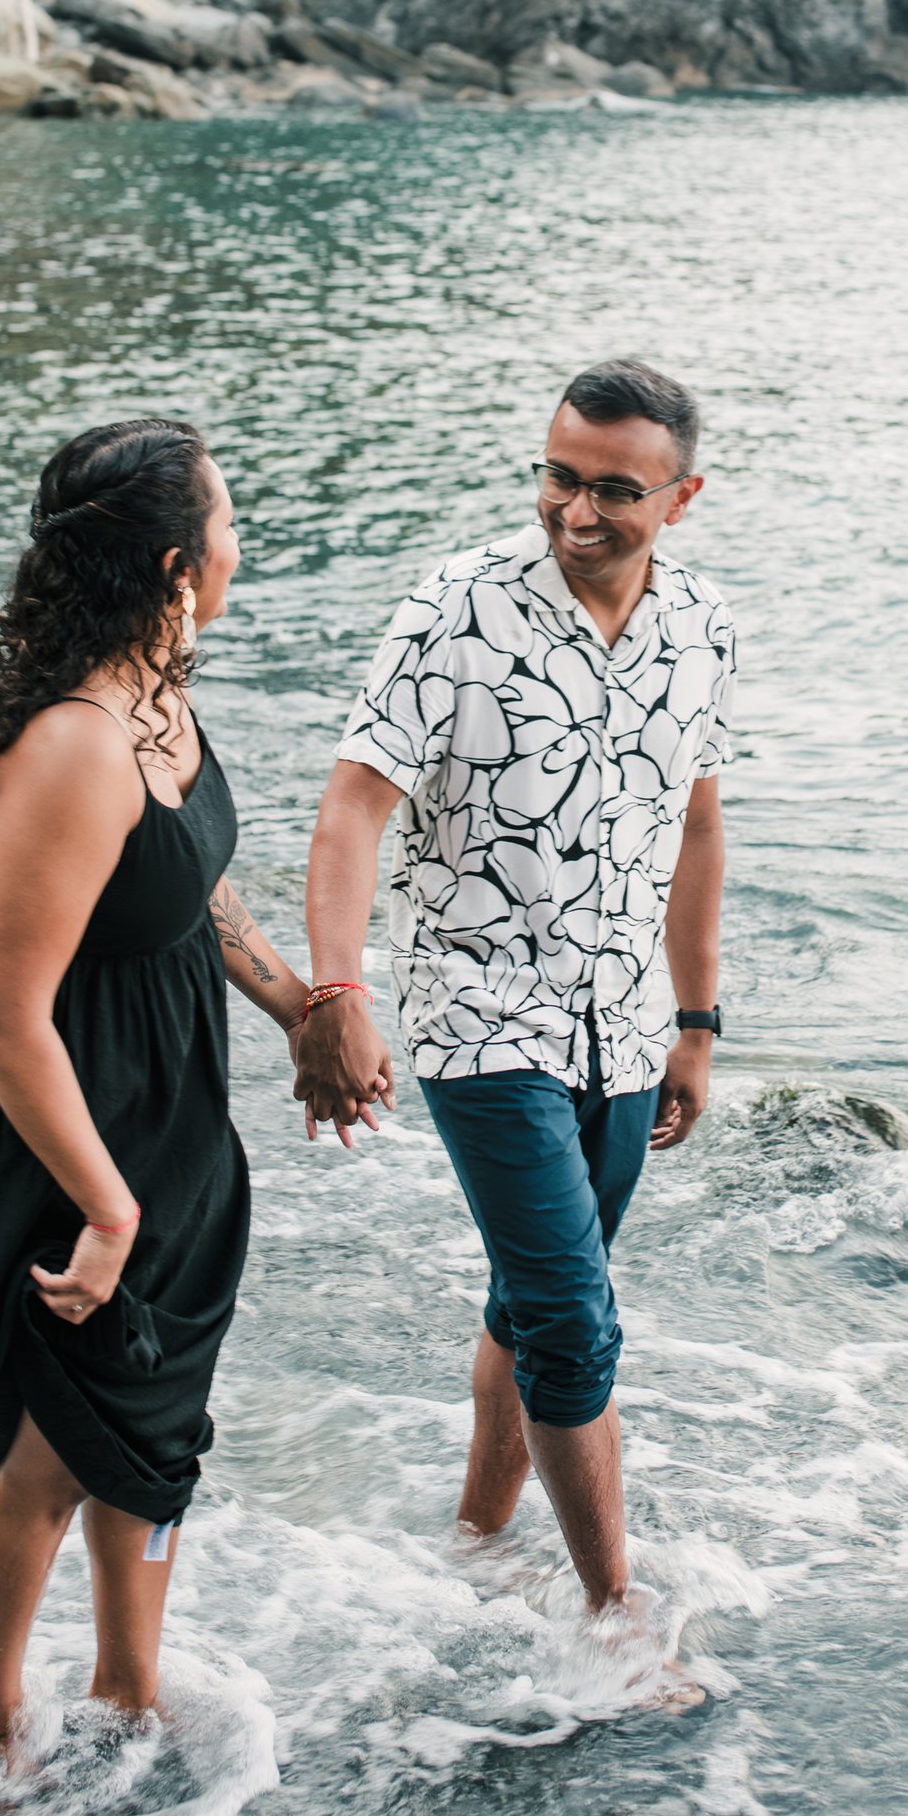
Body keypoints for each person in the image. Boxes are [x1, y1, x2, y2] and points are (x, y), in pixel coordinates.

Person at [0, 417, 327, 1755]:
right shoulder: (77, 742)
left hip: (167, 1113)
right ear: (174, 560)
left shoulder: (160, 688)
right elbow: (4, 1012)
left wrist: (300, 1006)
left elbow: (183, 884)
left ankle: (129, 1686)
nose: (239, 546)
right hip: (61, 1130)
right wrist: (108, 1207)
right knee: (48, 1456)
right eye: (229, 523)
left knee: (152, 1424)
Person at [295, 359, 734, 1617]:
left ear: (681, 496)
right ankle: (618, 1614)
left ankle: (477, 1539)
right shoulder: (460, 606)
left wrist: (695, 1025)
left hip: (627, 1026)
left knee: (533, 1295)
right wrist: (341, 996)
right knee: (573, 1321)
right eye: (557, 476)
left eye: (614, 490)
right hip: (481, 1016)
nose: (577, 512)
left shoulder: (702, 625)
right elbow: (351, 809)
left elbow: (696, 832)